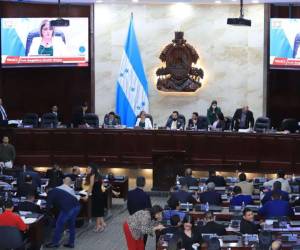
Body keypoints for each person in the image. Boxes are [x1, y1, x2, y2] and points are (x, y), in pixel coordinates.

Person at [45, 177, 83, 248]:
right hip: (77, 206)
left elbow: (48, 205)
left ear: (47, 190)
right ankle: (71, 243)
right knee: (71, 225)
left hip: (68, 208)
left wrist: (45, 214)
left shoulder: (50, 192)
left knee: (59, 224)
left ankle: (55, 243)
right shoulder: (58, 190)